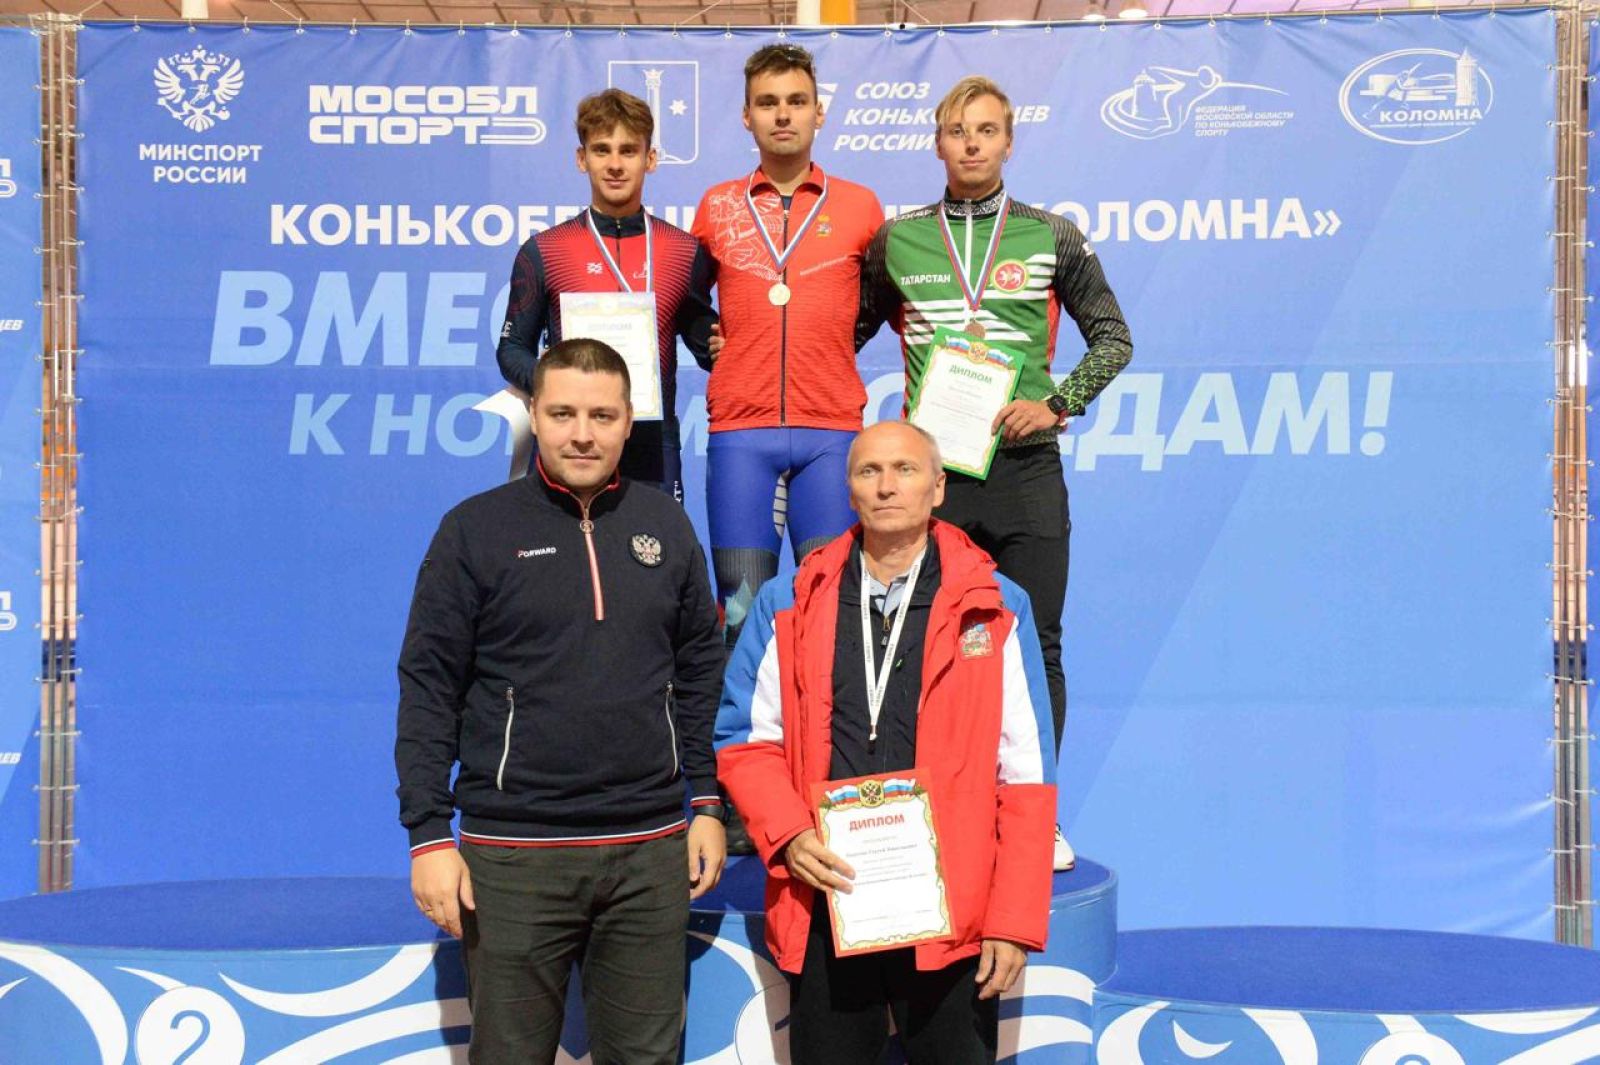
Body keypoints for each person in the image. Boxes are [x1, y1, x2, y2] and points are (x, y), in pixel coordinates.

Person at [396, 338, 728, 1065]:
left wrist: (707, 803)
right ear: (534, 416)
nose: (583, 433)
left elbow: (701, 674)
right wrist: (428, 834)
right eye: (563, 413)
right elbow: (428, 684)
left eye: (602, 415)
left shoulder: (666, 525)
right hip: (514, 858)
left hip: (649, 852)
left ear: (629, 421)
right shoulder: (475, 529)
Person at [715, 421, 1057, 1065]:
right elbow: (747, 740)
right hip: (828, 896)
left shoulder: (995, 606)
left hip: (955, 911)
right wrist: (789, 834)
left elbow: (1027, 777)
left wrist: (1012, 920)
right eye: (869, 471)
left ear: (938, 487)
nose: (886, 486)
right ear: (848, 491)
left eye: (905, 469)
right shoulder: (789, 600)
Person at [857, 76, 1134, 870]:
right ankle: (922, 811)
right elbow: (839, 336)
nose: (971, 143)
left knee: (1035, 642)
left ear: (1009, 142)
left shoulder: (1053, 235)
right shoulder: (897, 240)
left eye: (985, 130)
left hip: (1024, 470)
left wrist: (1058, 402)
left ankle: (1035, 814)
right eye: (957, 130)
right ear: (937, 143)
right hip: (933, 479)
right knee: (918, 642)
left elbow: (1114, 337)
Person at [692, 44, 885, 639]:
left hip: (832, 432)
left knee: (833, 615)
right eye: (768, 102)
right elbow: (686, 301)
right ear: (746, 115)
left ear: (818, 113)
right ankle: (743, 709)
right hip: (741, 433)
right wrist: (708, 344)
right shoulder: (718, 205)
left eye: (797, 101)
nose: (782, 114)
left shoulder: (860, 205)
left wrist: (831, 344)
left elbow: (882, 303)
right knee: (740, 613)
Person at [496, 88, 717, 501]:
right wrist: (553, 381)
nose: (615, 164)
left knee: (653, 544)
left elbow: (707, 345)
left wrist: (726, 344)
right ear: (582, 159)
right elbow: (511, 350)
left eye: (629, 151)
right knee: (563, 545)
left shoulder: (683, 251)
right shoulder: (546, 250)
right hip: (571, 436)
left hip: (653, 444)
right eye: (601, 150)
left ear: (650, 159)